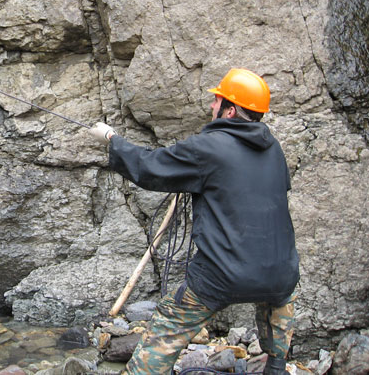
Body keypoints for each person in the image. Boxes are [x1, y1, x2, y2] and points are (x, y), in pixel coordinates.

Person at [89, 68, 299, 375]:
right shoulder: (274, 150)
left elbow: (151, 167)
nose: (211, 107)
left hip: (223, 273)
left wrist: (112, 139)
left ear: (230, 108)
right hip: (280, 271)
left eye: (216, 101)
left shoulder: (208, 147)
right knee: (278, 300)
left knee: (169, 325)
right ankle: (277, 366)